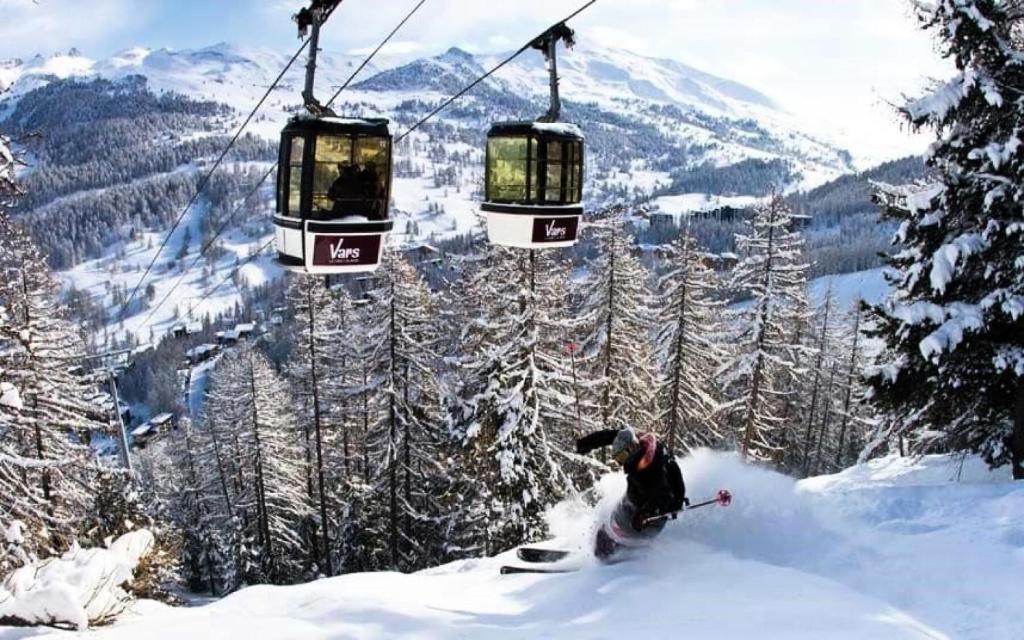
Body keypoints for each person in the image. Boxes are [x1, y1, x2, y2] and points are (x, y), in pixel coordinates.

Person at [576, 428, 687, 560]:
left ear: (631, 448)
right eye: (618, 458)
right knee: (613, 519)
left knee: (616, 529)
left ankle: (619, 556)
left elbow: (662, 495)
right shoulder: (640, 444)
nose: (620, 462)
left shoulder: (647, 470)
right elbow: (611, 436)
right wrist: (586, 443)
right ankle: (615, 547)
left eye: (622, 457)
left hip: (652, 515)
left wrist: (645, 514)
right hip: (646, 503)